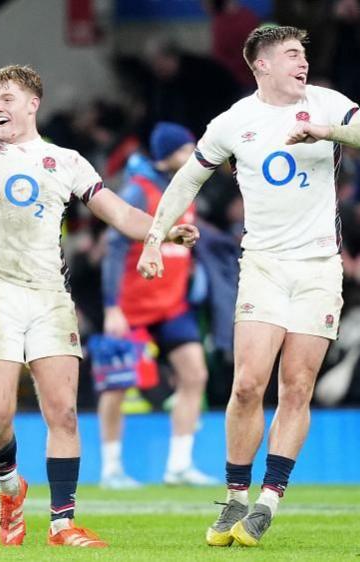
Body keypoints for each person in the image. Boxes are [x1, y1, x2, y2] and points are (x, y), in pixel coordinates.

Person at [0, 6, 198, 549]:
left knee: (62, 409)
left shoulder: (67, 161)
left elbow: (116, 212)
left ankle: (62, 523)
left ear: (32, 104)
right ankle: (10, 488)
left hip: (49, 296)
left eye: (6, 99)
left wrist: (163, 232)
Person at [136, 26, 360, 547]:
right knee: (248, 383)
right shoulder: (234, 122)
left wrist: (328, 131)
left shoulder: (326, 103)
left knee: (297, 387)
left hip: (320, 267)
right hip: (264, 265)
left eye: (305, 54)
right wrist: (152, 238)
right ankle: (234, 497)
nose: (303, 63)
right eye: (293, 55)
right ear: (263, 65)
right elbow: (187, 178)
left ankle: (268, 500)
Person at [97, 122, 216, 489]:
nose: (194, 153)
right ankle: (111, 468)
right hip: (131, 307)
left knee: (195, 375)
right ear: (168, 156)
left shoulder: (186, 192)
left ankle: (179, 466)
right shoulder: (139, 191)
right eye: (187, 148)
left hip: (172, 306)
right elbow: (114, 251)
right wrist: (111, 307)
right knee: (116, 388)